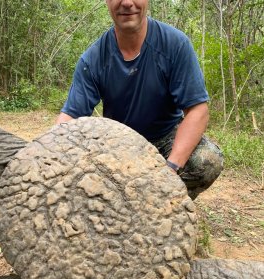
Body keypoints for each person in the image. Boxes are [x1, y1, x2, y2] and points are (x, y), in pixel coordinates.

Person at [56, 0, 223, 199]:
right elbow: (71, 117)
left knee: (207, 160)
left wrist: (170, 169)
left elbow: (198, 111)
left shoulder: (175, 44)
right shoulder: (92, 59)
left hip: (165, 140)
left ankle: (168, 206)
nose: (127, 3)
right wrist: (47, 152)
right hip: (117, 144)